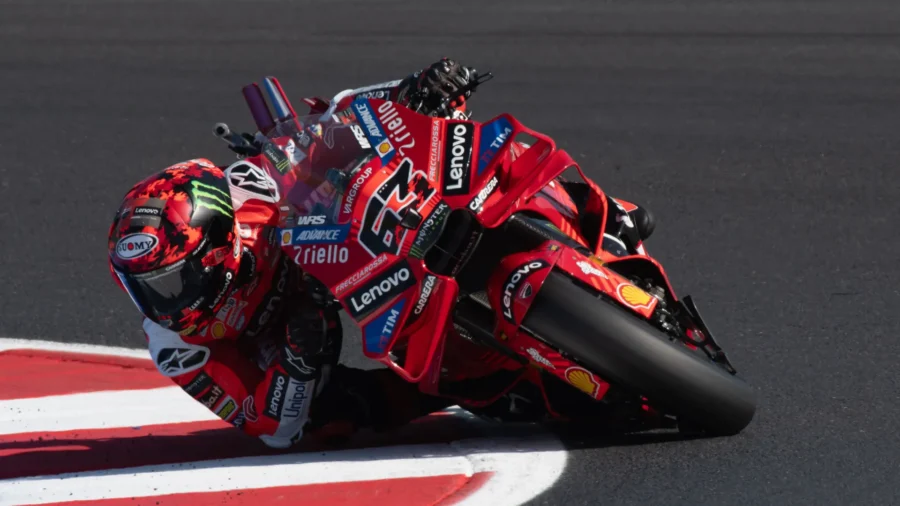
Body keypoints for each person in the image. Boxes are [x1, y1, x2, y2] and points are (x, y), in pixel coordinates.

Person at [107, 58, 656, 449]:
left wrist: (413, 91)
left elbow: (333, 125)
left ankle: (602, 211)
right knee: (346, 416)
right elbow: (268, 427)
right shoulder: (177, 346)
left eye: (173, 281)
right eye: (148, 287)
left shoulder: (249, 190)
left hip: (348, 250)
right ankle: (486, 377)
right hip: (304, 341)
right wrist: (297, 365)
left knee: (490, 157)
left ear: (215, 243)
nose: (163, 302)